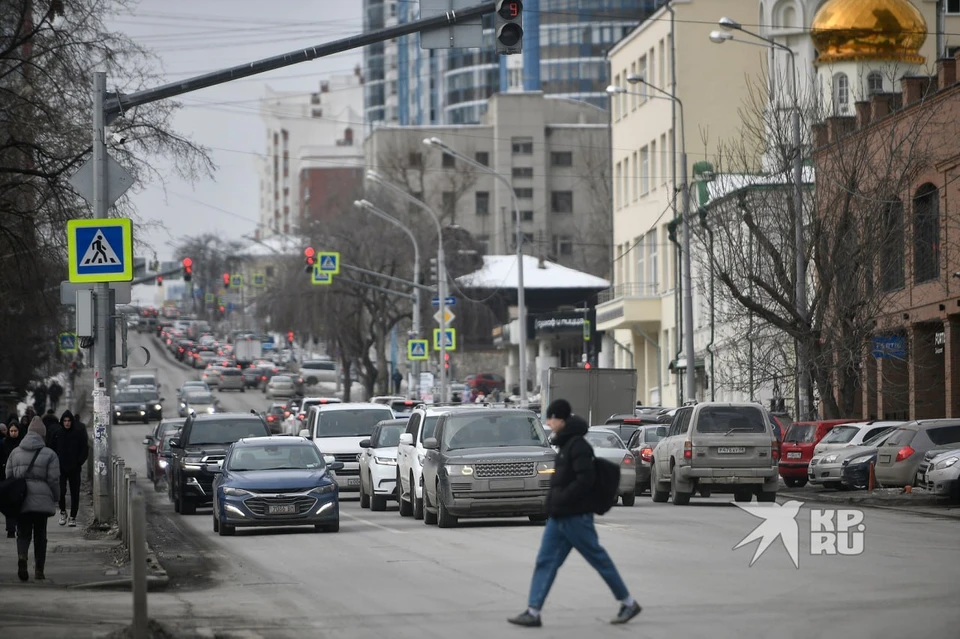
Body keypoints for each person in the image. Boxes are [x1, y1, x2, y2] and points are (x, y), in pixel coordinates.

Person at [508, 399, 641, 628]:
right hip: (560, 516)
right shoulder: (566, 444)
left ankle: (628, 602)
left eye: (551, 418)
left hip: (575, 516)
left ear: (561, 419)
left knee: (598, 559)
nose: (548, 422)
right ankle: (533, 611)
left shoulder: (578, 445)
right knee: (545, 561)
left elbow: (585, 479)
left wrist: (562, 498)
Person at [5, 417, 60, 581]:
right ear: (42, 436)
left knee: (22, 533)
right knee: (40, 535)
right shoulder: (50, 454)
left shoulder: (15, 452)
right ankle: (39, 569)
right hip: (42, 500)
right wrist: (55, 497)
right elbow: (54, 480)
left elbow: (9, 476)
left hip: (21, 498)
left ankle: (22, 557)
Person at [50, 410, 88, 527]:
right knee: (61, 491)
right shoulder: (58, 433)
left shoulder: (78, 433)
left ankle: (73, 516)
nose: (67, 423)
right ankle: (63, 512)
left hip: (74, 468)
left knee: (75, 493)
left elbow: (84, 449)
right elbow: (51, 449)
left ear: (72, 422)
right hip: (60, 468)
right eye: (65, 421)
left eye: (69, 421)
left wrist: (78, 462)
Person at [1, 419, 24, 538]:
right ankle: (10, 529)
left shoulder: (22, 444)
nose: (13, 433)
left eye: (15, 430)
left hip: (19, 477)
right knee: (9, 503)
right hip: (6, 477)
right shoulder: (4, 443)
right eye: (11, 431)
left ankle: (18, 527)